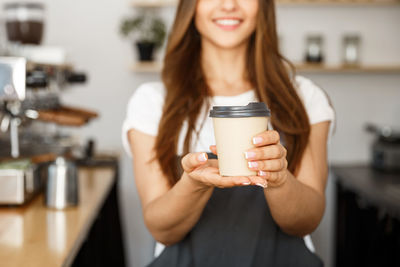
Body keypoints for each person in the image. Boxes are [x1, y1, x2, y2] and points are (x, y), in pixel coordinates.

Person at [122, 0, 334, 266]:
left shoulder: (304, 97)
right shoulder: (153, 102)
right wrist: (193, 185)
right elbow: (162, 229)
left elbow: (307, 220)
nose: (229, 5)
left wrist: (279, 179)